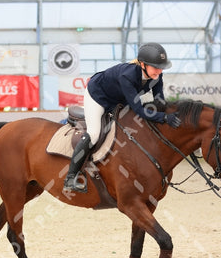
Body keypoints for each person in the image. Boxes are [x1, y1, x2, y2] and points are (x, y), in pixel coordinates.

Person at [63, 42, 182, 192]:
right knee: (93, 134)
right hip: (98, 96)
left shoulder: (157, 75)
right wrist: (164, 118)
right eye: (156, 67)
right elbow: (138, 109)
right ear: (143, 64)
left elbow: (159, 101)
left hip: (119, 98)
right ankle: (71, 177)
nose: (159, 71)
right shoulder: (128, 75)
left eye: (161, 67)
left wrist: (171, 114)